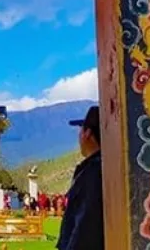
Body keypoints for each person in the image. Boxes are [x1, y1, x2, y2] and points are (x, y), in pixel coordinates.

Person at [56, 106, 104, 250]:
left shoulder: (93, 172)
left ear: (87, 133)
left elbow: (85, 223)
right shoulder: (100, 168)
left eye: (81, 130)